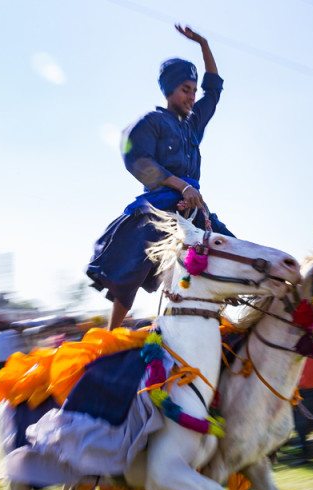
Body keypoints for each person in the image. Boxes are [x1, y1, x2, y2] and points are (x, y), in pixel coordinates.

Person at [87, 25, 230, 330]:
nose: (191, 96)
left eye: (193, 90)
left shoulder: (193, 126)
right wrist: (182, 185)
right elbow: (137, 159)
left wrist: (204, 44)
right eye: (185, 90)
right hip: (161, 204)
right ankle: (112, 333)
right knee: (132, 260)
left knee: (231, 249)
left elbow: (214, 89)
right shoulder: (151, 122)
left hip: (195, 210)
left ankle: (226, 326)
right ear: (170, 91)